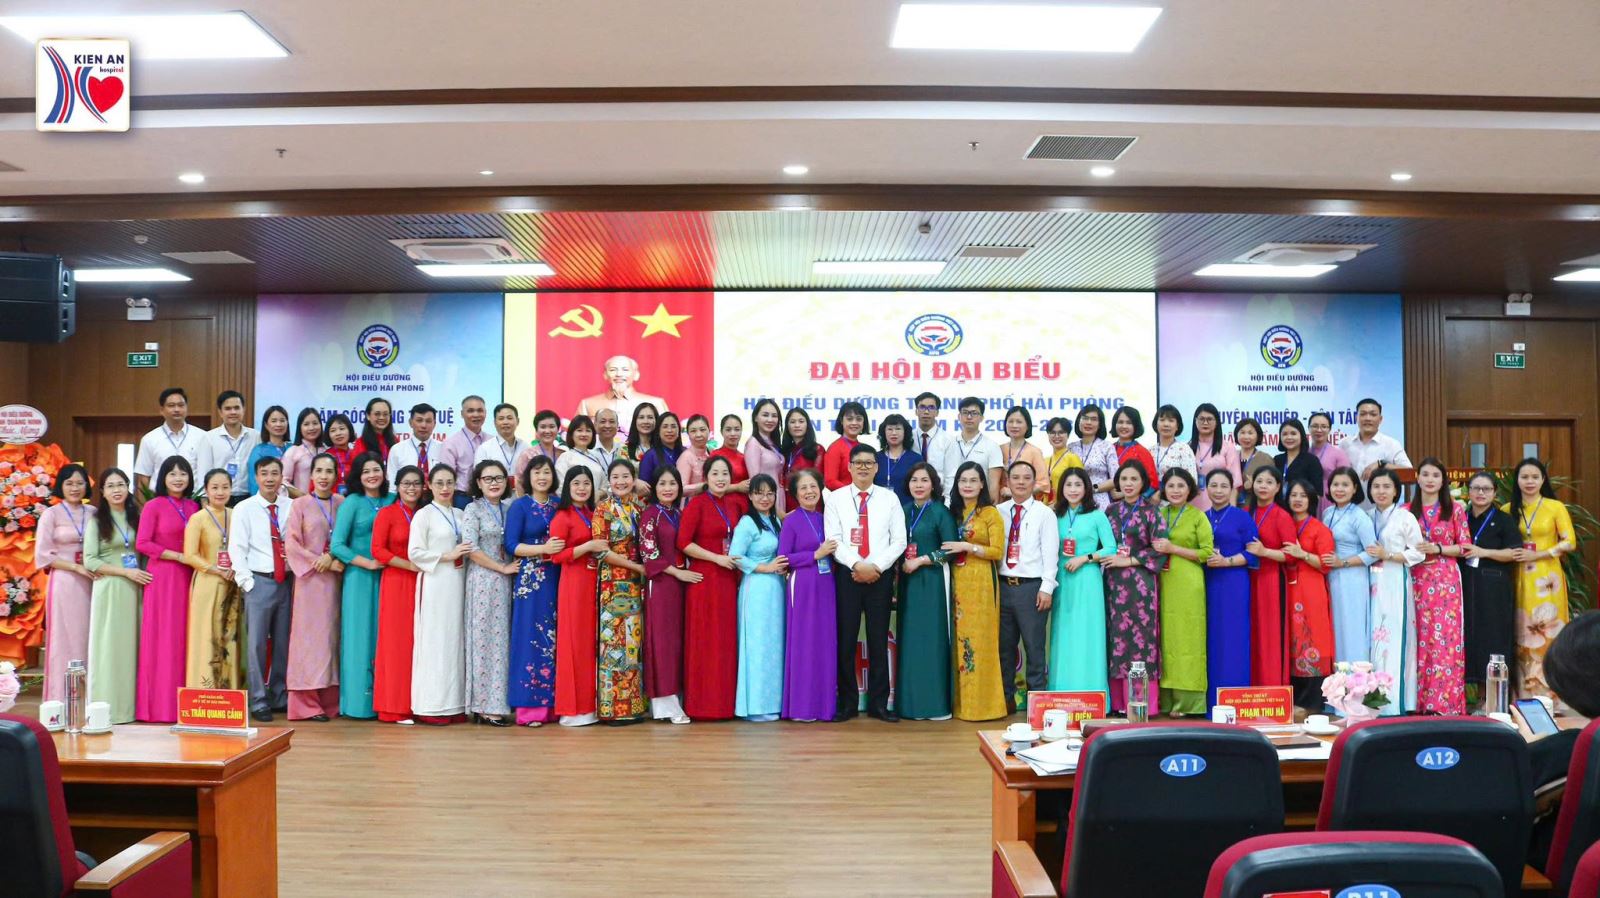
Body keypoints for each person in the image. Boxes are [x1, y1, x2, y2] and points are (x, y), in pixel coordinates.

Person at [824, 444, 907, 722]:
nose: (863, 467)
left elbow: (899, 541)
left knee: (878, 639)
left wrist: (876, 567)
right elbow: (833, 540)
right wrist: (857, 565)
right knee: (846, 640)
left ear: (876, 467)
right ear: (849, 467)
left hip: (879, 578)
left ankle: (879, 705)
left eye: (868, 463)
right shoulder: (835, 499)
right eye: (857, 462)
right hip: (847, 576)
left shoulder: (889, 499)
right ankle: (847, 704)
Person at [677, 456, 749, 720]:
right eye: (715, 473)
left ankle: (725, 704)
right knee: (704, 641)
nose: (720, 478)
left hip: (728, 580)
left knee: (726, 642)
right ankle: (701, 706)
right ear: (705, 477)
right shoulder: (696, 504)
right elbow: (684, 543)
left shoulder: (734, 504)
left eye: (725, 474)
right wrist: (716, 558)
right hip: (704, 580)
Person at [230, 458, 297, 721]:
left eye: (275, 473)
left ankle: (279, 695)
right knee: (257, 644)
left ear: (282, 477)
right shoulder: (244, 508)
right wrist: (247, 582)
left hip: (287, 581)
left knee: (283, 642)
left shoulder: (291, 506)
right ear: (256, 477)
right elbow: (237, 547)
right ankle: (258, 700)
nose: (270, 478)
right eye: (264, 473)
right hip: (259, 581)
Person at [406, 465, 472, 725]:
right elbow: (415, 552)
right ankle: (431, 706)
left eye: (449, 483)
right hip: (435, 582)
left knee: (455, 640)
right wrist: (447, 556)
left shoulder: (461, 514)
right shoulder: (423, 515)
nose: (445, 488)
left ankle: (455, 704)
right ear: (430, 486)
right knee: (434, 641)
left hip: (459, 581)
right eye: (439, 483)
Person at [942, 461, 1007, 721]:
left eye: (973, 480)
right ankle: (961, 706)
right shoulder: (953, 512)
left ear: (982, 484)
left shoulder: (990, 513)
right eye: (963, 481)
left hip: (981, 584)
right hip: (957, 582)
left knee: (981, 643)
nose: (967, 485)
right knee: (959, 641)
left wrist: (969, 547)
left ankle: (985, 707)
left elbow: (997, 551)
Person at [282, 453, 345, 721]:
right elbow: (292, 544)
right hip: (310, 580)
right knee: (308, 641)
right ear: (311, 475)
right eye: (318, 471)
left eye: (329, 471)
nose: (323, 476)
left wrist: (334, 559)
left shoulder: (342, 503)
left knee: (332, 639)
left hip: (337, 579)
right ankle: (305, 703)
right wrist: (319, 561)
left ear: (336, 475)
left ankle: (330, 701)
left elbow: (349, 537)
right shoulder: (300, 505)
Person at [1507, 457, 1576, 698]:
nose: (1530, 481)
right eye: (1524, 477)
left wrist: (1540, 554)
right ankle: (1522, 695)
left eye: (1535, 477)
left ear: (1543, 480)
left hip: (1547, 580)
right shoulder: (1508, 509)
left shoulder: (1555, 507)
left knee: (1547, 632)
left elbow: (1569, 542)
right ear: (1517, 480)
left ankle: (1550, 697)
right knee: (1521, 632)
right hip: (1518, 578)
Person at [135, 456, 197, 722]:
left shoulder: (194, 506)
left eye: (183, 473)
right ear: (163, 478)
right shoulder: (154, 505)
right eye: (172, 474)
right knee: (163, 639)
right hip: (163, 577)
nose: (178, 478)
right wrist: (176, 556)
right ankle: (159, 706)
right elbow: (143, 543)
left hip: (189, 576)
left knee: (185, 638)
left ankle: (186, 703)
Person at [1406, 457, 1470, 715]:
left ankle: (1444, 703)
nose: (1430, 479)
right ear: (1417, 478)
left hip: (1445, 580)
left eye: (1435, 475)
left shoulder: (1454, 509)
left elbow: (1465, 547)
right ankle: (1416, 703)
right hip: (1415, 578)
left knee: (1444, 640)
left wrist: (1438, 548)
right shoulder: (1406, 510)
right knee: (1418, 638)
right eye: (1425, 474)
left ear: (1443, 480)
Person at [994, 460, 1058, 713]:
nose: (1020, 482)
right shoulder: (997, 511)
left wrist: (1047, 587)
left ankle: (1037, 703)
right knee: (1004, 648)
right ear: (1007, 482)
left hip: (1031, 588)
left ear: (1034, 482)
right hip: (1002, 586)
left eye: (1026, 478)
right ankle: (1005, 700)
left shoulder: (1044, 513)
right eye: (1015, 477)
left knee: (1034, 648)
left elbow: (1050, 553)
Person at [330, 454, 391, 719]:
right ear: (358, 475)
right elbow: (337, 545)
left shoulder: (392, 500)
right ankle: (357, 703)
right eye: (366, 471)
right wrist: (368, 563)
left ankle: (386, 699)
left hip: (390, 577)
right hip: (359, 578)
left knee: (385, 637)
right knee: (359, 637)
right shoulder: (352, 502)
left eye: (376, 469)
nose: (372, 475)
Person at [503, 456, 563, 727]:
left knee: (556, 638)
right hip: (531, 580)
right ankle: (530, 708)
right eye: (537, 472)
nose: (542, 477)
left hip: (558, 577)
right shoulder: (520, 506)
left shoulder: (560, 504)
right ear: (528, 477)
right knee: (529, 638)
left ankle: (555, 706)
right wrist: (542, 549)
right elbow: (511, 545)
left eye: (546, 472)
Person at [84, 468, 147, 724]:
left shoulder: (136, 517)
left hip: (135, 590)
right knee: (109, 649)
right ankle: (106, 708)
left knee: (132, 648)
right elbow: (90, 560)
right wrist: (125, 572)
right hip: (110, 588)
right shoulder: (97, 521)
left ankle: (131, 708)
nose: (116, 490)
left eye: (120, 484)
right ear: (102, 492)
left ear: (128, 487)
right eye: (110, 486)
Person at [1101, 461, 1162, 714]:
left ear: (1143, 483)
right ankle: (1118, 703)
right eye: (1124, 479)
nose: (1128, 484)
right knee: (1117, 637)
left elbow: (1160, 549)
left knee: (1142, 639)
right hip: (1113, 583)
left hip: (1141, 584)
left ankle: (1143, 702)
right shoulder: (1110, 510)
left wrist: (1128, 560)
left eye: (1134, 479)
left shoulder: (1152, 511)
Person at [776, 468, 837, 721]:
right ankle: (802, 707)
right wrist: (815, 555)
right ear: (795, 493)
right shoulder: (791, 521)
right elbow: (783, 558)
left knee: (825, 642)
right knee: (804, 642)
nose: (809, 492)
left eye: (813, 486)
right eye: (803, 488)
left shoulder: (827, 518)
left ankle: (824, 707)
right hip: (802, 585)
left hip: (827, 585)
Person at [1152, 467, 1214, 716]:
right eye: (1171, 486)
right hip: (1160, 581)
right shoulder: (1159, 513)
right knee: (1165, 638)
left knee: (1187, 637)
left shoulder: (1198, 517)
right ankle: (1166, 700)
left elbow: (1207, 553)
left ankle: (1188, 703)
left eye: (1181, 486)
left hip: (1188, 582)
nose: (1176, 490)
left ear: (1190, 489)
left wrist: (1173, 549)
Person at [1048, 468, 1114, 698]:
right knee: (1062, 635)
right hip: (1061, 579)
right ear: (1061, 489)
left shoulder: (1097, 515)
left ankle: (1091, 695)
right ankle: (1060, 693)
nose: (1073, 490)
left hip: (1087, 579)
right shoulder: (1054, 515)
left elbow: (1111, 548)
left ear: (1086, 488)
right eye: (1068, 485)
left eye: (1078, 485)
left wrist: (1085, 558)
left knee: (1087, 634)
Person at [897, 463, 955, 720]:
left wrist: (922, 560)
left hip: (933, 582)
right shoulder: (903, 510)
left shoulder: (941, 512)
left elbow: (951, 550)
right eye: (914, 480)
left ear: (933, 484)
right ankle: (910, 706)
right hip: (908, 583)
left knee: (933, 640)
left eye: (924, 480)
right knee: (911, 642)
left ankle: (935, 705)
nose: (918, 485)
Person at [638, 466, 697, 724]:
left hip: (681, 583)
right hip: (661, 582)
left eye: (672, 483)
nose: (668, 488)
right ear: (654, 487)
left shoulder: (678, 513)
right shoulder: (650, 514)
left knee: (677, 641)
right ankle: (665, 705)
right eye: (662, 483)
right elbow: (648, 553)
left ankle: (678, 700)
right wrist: (677, 573)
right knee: (662, 642)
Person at [461, 460, 518, 726]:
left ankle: (500, 702)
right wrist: (500, 568)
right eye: (488, 479)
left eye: (499, 478)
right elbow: (470, 549)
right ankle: (483, 706)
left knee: (504, 643)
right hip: (484, 581)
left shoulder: (510, 508)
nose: (494, 483)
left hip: (508, 581)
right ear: (478, 483)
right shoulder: (472, 509)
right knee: (485, 642)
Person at [593, 459, 649, 724]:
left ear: (634, 479)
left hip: (635, 584)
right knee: (613, 643)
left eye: (626, 476)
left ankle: (634, 706)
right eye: (615, 477)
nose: (621, 482)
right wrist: (635, 566)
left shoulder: (638, 508)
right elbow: (601, 551)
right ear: (609, 480)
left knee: (632, 643)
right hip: (613, 585)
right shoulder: (603, 509)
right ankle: (612, 709)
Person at [182, 468, 246, 694]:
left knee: (231, 637)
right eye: (215, 487)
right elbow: (190, 555)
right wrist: (216, 570)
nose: (220, 492)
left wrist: (237, 569)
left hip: (233, 583)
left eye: (225, 487)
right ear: (206, 491)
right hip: (208, 583)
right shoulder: (198, 518)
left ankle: (232, 692)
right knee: (207, 637)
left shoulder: (237, 515)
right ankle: (206, 692)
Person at [1366, 468, 1424, 715]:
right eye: (1376, 486)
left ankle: (1396, 702)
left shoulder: (1405, 517)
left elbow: (1418, 552)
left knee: (1393, 637)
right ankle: (1369, 700)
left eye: (1386, 487)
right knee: (1372, 637)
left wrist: (1387, 554)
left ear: (1396, 491)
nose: (1381, 491)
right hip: (1369, 581)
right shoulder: (1366, 516)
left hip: (1394, 580)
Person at [552, 467, 606, 726]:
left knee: (590, 643)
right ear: (567, 487)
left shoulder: (592, 513)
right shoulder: (562, 516)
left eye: (587, 483)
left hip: (593, 581)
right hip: (573, 584)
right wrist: (587, 547)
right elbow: (556, 556)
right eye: (576, 483)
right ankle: (572, 709)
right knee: (574, 643)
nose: (582, 488)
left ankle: (589, 704)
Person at [371, 465, 425, 725]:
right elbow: (378, 550)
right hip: (397, 581)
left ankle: (421, 703)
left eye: (416, 483)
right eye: (406, 484)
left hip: (425, 582)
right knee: (397, 644)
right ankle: (394, 707)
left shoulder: (426, 513)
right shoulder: (388, 513)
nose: (411, 488)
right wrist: (408, 565)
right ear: (397, 486)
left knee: (420, 643)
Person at [37, 463, 94, 705]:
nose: (75, 488)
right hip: (64, 581)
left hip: (91, 581)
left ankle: (90, 695)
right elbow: (43, 556)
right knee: (64, 637)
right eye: (69, 483)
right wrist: (75, 567)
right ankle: (59, 697)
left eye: (80, 483)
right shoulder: (51, 514)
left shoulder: (93, 512)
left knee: (89, 636)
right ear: (60, 486)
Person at [1461, 471, 1521, 697]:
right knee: (1469, 636)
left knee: (1493, 635)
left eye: (1486, 489)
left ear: (1494, 493)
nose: (1481, 493)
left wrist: (1483, 552)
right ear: (1468, 492)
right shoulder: (1461, 517)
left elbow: (1514, 552)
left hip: (1494, 586)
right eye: (1476, 488)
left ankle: (1494, 697)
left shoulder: (1504, 520)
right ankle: (1470, 696)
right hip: (1466, 583)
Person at [732, 473, 786, 721]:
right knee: (757, 645)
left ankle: (773, 702)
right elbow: (736, 556)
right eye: (759, 493)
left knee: (774, 645)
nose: (765, 498)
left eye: (769, 493)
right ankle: (755, 706)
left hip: (776, 588)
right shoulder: (747, 523)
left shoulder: (774, 521)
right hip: (756, 588)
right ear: (750, 496)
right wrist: (765, 567)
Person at [1202, 469, 1257, 705]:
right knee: (1210, 638)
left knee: (1234, 637)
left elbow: (1253, 552)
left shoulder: (1242, 517)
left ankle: (1235, 698)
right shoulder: (1201, 517)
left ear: (1232, 489)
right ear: (1206, 488)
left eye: (1224, 486)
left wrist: (1227, 561)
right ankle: (1209, 700)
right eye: (1213, 485)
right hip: (1207, 582)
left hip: (1234, 582)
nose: (1218, 491)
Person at [1282, 479, 1335, 710]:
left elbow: (1326, 564)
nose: (1298, 499)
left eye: (1303, 496)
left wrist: (1302, 553)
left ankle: (1312, 700)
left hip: (1311, 589)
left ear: (1312, 500)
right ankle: (1292, 697)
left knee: (1312, 637)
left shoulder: (1319, 529)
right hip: (1288, 588)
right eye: (1294, 495)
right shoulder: (1284, 523)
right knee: (1292, 638)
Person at [1320, 467, 1378, 665]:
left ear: (1354, 488)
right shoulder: (1328, 513)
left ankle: (1355, 677)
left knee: (1352, 627)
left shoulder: (1359, 516)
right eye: (1335, 484)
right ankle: (1337, 678)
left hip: (1353, 578)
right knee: (1336, 627)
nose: (1339, 489)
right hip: (1332, 577)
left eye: (1345, 485)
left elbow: (1372, 553)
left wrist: (1343, 562)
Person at [1245, 466, 1295, 688]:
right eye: (1259, 481)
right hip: (1247, 579)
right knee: (1251, 633)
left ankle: (1272, 688)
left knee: (1270, 635)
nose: (1263, 486)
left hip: (1271, 580)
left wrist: (1264, 552)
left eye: (1269, 482)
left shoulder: (1282, 516)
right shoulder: (1246, 512)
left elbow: (1291, 555)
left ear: (1278, 487)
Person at [133, 387, 203, 495]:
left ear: (186, 408)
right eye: (171, 405)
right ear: (162, 410)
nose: (176, 409)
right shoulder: (149, 439)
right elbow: (144, 476)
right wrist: (147, 503)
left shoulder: (202, 437)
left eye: (181, 405)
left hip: (193, 497)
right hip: (160, 497)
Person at [574, 354, 669, 429]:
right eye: (613, 370)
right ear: (605, 375)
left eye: (625, 370)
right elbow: (578, 434)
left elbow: (666, 434)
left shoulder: (655, 403)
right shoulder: (587, 404)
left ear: (636, 375)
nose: (619, 374)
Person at [1343, 398, 1413, 500]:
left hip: (1383, 506)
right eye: (1363, 414)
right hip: (1350, 506)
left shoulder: (1391, 444)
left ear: (1380, 419)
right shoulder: (1344, 444)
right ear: (1356, 418)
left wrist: (1382, 465)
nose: (1368, 418)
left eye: (1373, 414)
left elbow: (1410, 473)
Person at [199, 390, 259, 505]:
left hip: (249, 498)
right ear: (220, 412)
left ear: (243, 409)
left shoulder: (255, 436)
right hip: (219, 498)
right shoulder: (209, 438)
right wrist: (205, 503)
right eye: (228, 408)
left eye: (237, 408)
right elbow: (204, 472)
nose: (233, 412)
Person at [952, 397, 1004, 501]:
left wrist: (990, 507)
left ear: (981, 418)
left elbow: (994, 484)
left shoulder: (992, 446)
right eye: (965, 412)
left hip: (981, 503)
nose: (969, 417)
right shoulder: (949, 444)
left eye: (974, 413)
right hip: (952, 502)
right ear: (959, 416)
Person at [1068, 403, 1118, 510]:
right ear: (1079, 422)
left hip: (1099, 501)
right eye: (1085, 418)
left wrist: (1092, 489)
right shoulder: (1071, 447)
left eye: (1094, 419)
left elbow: (1116, 479)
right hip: (1074, 500)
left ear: (1100, 424)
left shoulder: (1107, 447)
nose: (1089, 422)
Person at [1190, 403, 1240, 508]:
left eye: (1209, 419)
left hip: (1219, 506)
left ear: (1216, 422)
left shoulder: (1228, 447)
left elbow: (1235, 483)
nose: (1205, 423)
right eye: (1201, 419)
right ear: (1195, 421)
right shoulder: (1186, 448)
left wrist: (1231, 510)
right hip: (1191, 507)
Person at [743, 399, 786, 514]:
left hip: (778, 497)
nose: (770, 420)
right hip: (766, 502)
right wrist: (771, 508)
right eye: (765, 415)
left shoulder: (773, 443)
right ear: (755, 418)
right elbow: (756, 482)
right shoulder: (753, 444)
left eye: (774, 416)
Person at [385, 403, 441, 488]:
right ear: (410, 423)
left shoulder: (443, 449)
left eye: (428, 421)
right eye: (419, 420)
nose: (423, 425)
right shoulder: (397, 450)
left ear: (434, 424)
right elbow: (392, 485)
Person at [996, 406, 1047, 501]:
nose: (1014, 425)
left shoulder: (1035, 452)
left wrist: (1014, 492)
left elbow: (1043, 484)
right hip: (1001, 503)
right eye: (1010, 421)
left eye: (1019, 422)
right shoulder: (998, 449)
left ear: (1027, 426)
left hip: (1025, 504)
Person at [441, 395, 490, 489]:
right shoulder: (451, 443)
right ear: (462, 414)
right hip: (462, 494)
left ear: (485, 413)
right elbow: (447, 477)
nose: (476, 415)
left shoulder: (492, 440)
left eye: (480, 410)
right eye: (470, 411)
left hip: (490, 493)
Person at [244, 406, 293, 498]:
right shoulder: (259, 451)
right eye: (274, 421)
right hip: (266, 501)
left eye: (282, 421)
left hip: (292, 501)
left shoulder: (293, 448)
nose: (278, 424)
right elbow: (254, 483)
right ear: (266, 425)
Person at [874, 412, 923, 505]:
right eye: (890, 429)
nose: (894, 433)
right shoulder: (875, 458)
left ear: (905, 432)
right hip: (879, 507)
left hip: (907, 508)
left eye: (898, 429)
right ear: (884, 432)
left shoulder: (916, 459)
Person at [911, 391, 956, 488]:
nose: (926, 412)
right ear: (916, 411)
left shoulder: (948, 440)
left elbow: (951, 475)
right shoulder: (909, 438)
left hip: (939, 492)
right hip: (912, 491)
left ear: (937, 412)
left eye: (931, 407)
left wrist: (946, 497)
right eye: (922, 407)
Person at [476, 403, 529, 483]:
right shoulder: (484, 449)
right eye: (501, 419)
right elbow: (479, 477)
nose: (505, 422)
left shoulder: (526, 448)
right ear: (494, 422)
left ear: (517, 421)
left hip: (521, 490)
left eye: (509, 418)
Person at [823, 400, 870, 491]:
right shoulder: (835, 448)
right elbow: (830, 481)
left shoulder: (864, 449)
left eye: (859, 419)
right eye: (849, 419)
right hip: (844, 497)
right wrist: (853, 492)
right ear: (841, 421)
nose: (854, 423)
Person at [282, 407, 329, 496]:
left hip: (325, 501)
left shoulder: (326, 451)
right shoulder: (293, 451)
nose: (311, 428)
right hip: (300, 501)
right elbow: (282, 481)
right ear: (300, 427)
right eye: (306, 424)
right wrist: (302, 496)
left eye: (315, 423)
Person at [781, 408, 822, 510]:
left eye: (801, 421)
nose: (797, 425)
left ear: (807, 425)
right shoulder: (784, 451)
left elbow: (818, 480)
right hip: (786, 501)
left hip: (809, 501)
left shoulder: (817, 449)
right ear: (787, 426)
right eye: (792, 422)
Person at [1110, 406, 1156, 497]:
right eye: (1120, 422)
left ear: (1136, 426)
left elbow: (1153, 484)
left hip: (1133, 503)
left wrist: (1126, 494)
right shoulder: (1108, 449)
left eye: (1129, 423)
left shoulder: (1142, 452)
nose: (1124, 426)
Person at [1307, 411, 1350, 508]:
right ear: (1309, 428)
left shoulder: (1338, 454)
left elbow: (1347, 481)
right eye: (1315, 426)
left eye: (1324, 426)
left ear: (1329, 429)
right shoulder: (1304, 453)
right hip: (1307, 500)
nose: (1319, 430)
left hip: (1331, 500)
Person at [1276, 419, 1325, 502]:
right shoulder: (1277, 460)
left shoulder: (1312, 461)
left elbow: (1317, 493)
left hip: (1302, 508)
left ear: (1301, 436)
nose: (1289, 437)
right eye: (1284, 434)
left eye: (1293, 433)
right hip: (1278, 508)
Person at [513, 409, 565, 484]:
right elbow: (519, 481)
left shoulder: (563, 455)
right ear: (536, 430)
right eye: (543, 427)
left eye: (551, 427)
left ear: (558, 429)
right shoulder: (527, 455)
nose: (547, 431)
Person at [1039, 417, 1084, 505]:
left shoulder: (1073, 458)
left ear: (1068, 435)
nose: (1056, 436)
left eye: (1061, 432)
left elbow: (1081, 487)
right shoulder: (1045, 460)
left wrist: (1058, 506)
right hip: (1046, 507)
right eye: (1052, 432)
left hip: (1065, 507)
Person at [638, 411, 684, 493]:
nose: (669, 430)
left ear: (679, 430)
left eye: (673, 426)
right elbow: (645, 487)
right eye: (665, 426)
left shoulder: (685, 453)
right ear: (658, 431)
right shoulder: (650, 456)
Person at [1150, 404, 1197, 483]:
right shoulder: (1150, 451)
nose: (1166, 424)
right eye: (1162, 420)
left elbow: (1192, 481)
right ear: (1156, 424)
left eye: (1171, 421)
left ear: (1177, 426)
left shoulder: (1184, 449)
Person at [1234, 418, 1275, 505]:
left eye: (1250, 433)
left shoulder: (1266, 459)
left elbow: (1272, 485)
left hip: (1256, 505)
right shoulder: (1231, 456)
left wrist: (1255, 484)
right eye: (1242, 432)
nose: (1246, 437)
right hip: (1232, 505)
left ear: (1258, 435)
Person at [554, 414, 605, 484]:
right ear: (572, 434)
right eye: (579, 430)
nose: (584, 434)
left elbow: (604, 484)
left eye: (588, 430)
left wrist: (600, 491)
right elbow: (560, 485)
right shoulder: (565, 458)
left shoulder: (596, 457)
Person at [711, 413, 752, 493]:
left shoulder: (744, 457)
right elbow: (710, 486)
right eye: (728, 430)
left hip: (745, 499)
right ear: (721, 432)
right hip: (722, 500)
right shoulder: (715, 456)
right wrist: (737, 487)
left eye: (737, 429)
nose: (733, 434)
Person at [677, 414, 715, 497]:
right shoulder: (686, 457)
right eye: (693, 431)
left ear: (709, 431)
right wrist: (705, 486)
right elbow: (680, 489)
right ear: (688, 434)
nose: (698, 434)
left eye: (702, 430)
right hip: (692, 503)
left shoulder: (712, 453)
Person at [352, 397, 397, 463]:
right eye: (377, 414)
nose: (381, 418)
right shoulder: (360, 443)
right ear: (368, 416)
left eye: (385, 414)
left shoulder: (395, 441)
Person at [323, 414, 359, 494]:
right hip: (331, 498)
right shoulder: (326, 457)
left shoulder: (357, 455)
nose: (338, 433)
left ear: (349, 430)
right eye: (333, 430)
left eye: (342, 429)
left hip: (354, 497)